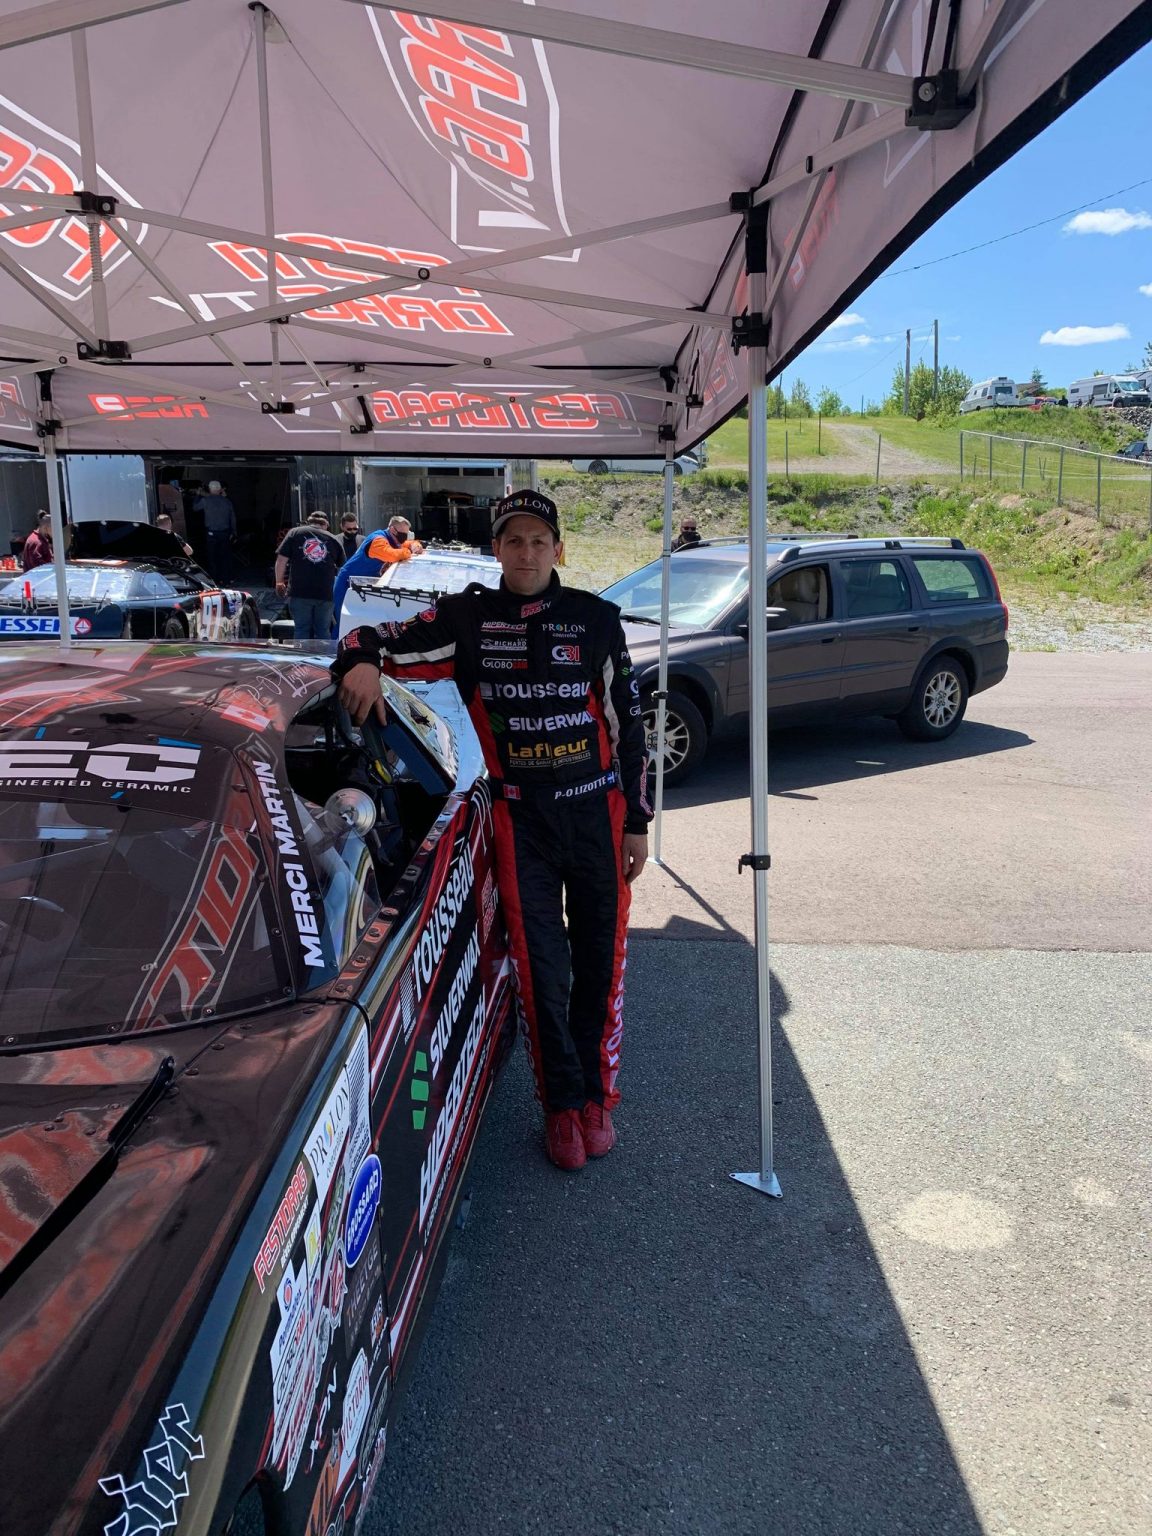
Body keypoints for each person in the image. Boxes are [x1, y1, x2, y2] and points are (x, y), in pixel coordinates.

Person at [335, 489, 651, 1172]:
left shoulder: (596, 620)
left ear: (558, 550)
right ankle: (560, 1107)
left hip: (597, 816)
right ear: (497, 549)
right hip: (520, 817)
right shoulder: (467, 618)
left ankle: (598, 1099)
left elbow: (630, 727)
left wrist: (639, 823)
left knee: (601, 962)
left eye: (539, 541)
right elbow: (371, 639)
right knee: (541, 970)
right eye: (514, 540)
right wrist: (358, 662)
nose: (527, 552)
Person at [331, 514, 425, 634]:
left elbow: (408, 543)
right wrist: (410, 551)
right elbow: (391, 555)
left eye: (407, 534)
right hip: (347, 585)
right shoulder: (378, 540)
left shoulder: (393, 539)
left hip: (362, 586)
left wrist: (415, 545)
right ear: (392, 530)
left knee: (358, 625)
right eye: (403, 534)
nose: (404, 537)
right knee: (344, 624)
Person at [276, 510, 344, 641]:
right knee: (323, 631)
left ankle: (300, 655)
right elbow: (342, 568)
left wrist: (279, 582)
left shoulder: (295, 533)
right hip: (325, 594)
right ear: (326, 524)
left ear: (309, 522)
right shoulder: (333, 539)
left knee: (301, 629)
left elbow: (281, 560)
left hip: (299, 593)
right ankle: (324, 655)